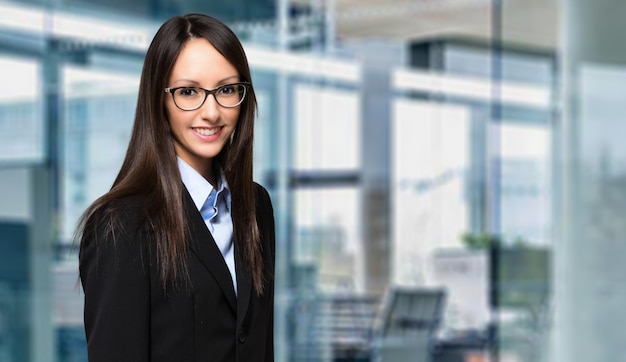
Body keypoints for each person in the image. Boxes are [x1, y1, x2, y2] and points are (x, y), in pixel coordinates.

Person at [77, 13, 275, 361]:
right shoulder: (122, 227)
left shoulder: (255, 205)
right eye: (188, 91)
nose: (211, 112)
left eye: (227, 89)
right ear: (160, 101)